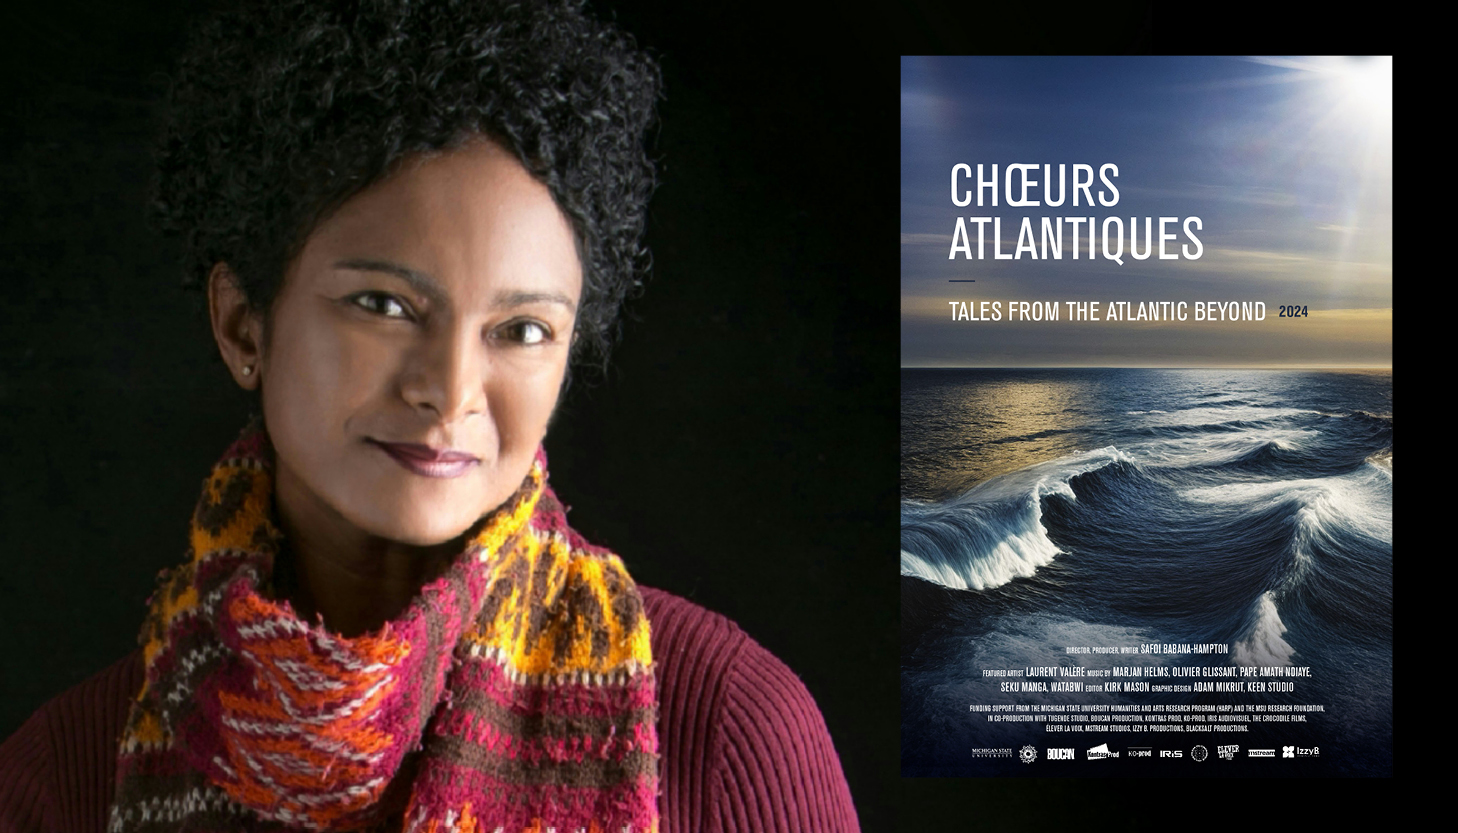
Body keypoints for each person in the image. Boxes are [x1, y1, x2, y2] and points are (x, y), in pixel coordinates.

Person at [0, 1, 859, 831]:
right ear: (241, 323)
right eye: (383, 304)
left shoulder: (726, 733)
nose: (450, 391)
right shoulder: (66, 776)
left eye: (521, 330)